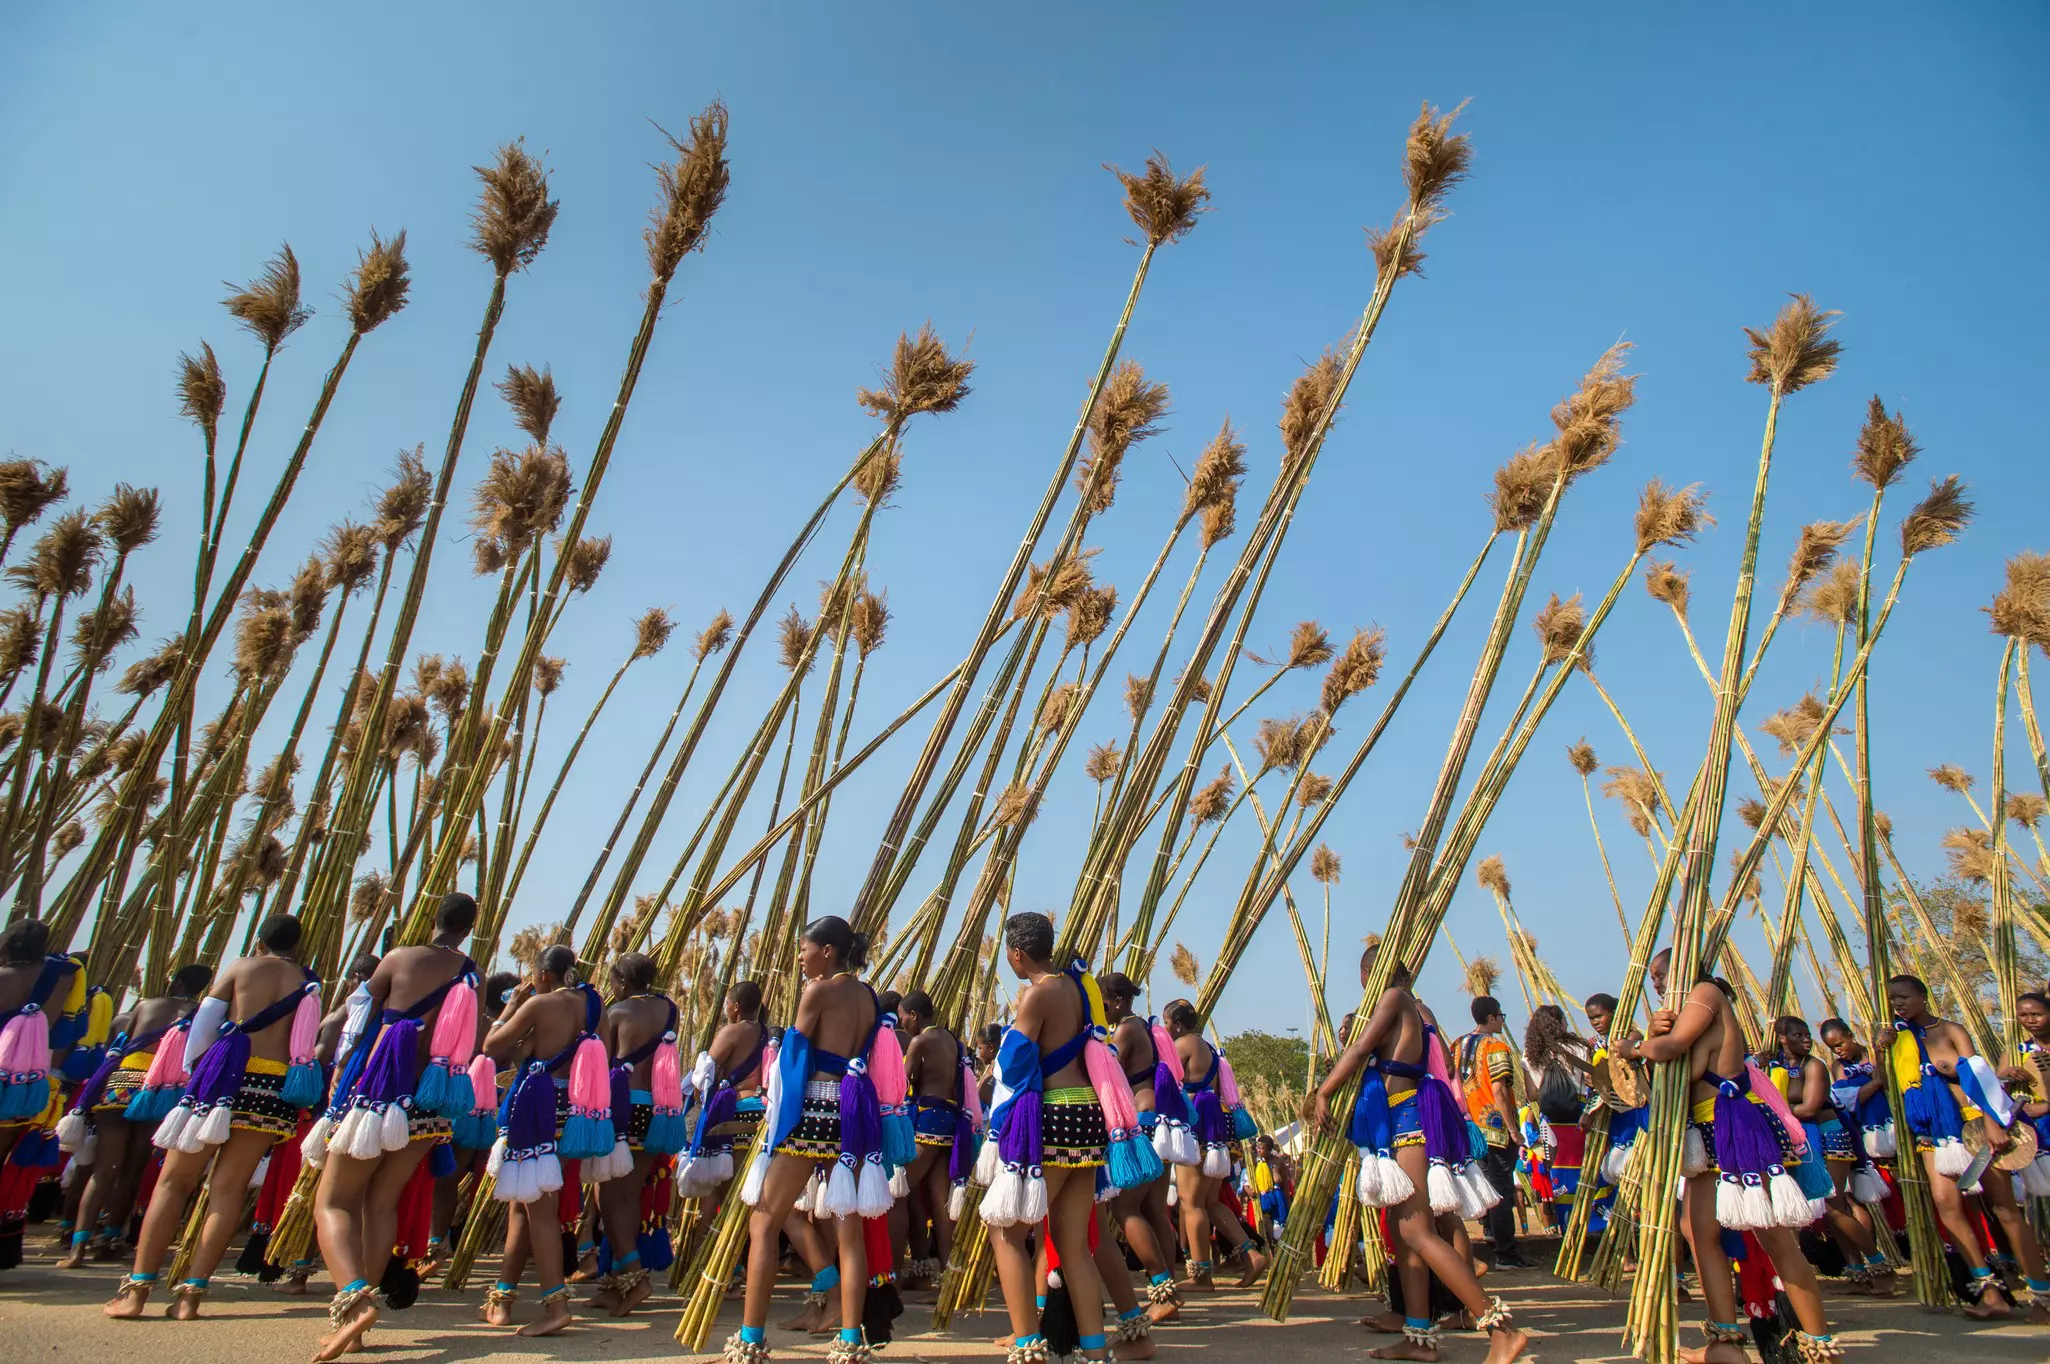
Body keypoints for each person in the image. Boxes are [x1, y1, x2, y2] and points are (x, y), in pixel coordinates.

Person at [1610, 949, 1836, 1363]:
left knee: (1773, 1237)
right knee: (1698, 1232)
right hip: (1704, 1132)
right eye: (1654, 978)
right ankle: (1726, 1342)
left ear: (1683, 970)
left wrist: (1635, 1046)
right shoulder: (1687, 1007)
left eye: (1661, 975)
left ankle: (1821, 1346)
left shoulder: (1706, 993)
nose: (1657, 984)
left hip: (1734, 1127)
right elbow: (1672, 1071)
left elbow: (1674, 1050)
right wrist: (1652, 1034)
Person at [1306, 941, 1525, 1364]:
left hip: (1409, 1123)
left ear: (1371, 977)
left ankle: (1501, 1329)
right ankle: (1418, 1335)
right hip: (1400, 1123)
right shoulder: (1408, 1005)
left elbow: (1357, 1050)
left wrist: (1324, 1091)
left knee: (1419, 1232)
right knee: (1405, 1235)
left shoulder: (1393, 1000)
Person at [104, 915, 322, 1321]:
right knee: (228, 1190)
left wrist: (195, 1074)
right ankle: (190, 1296)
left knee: (173, 1182)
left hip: (221, 1079)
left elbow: (204, 1025)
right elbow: (303, 1042)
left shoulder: (242, 967)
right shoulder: (306, 983)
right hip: (272, 1090)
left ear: (260, 941)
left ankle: (137, 1292)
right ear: (297, 945)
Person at [304, 891, 477, 1358]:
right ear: (469, 929)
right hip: (428, 1100)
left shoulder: (399, 958)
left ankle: (354, 1302)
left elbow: (359, 1017)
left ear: (433, 918)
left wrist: (340, 1072)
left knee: (335, 1202)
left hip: (378, 1090)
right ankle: (356, 1327)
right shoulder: (468, 975)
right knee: (381, 1203)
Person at [728, 916, 889, 1364]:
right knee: (848, 1233)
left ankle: (749, 1342)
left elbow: (795, 1058)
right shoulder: (868, 997)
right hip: (853, 1111)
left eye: (804, 948)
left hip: (814, 1109)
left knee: (762, 1222)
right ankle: (850, 1341)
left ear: (827, 951)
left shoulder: (819, 991)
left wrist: (777, 1121)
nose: (799, 957)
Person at [979, 911, 1133, 1364]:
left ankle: (1028, 1346)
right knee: (1072, 1244)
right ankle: (1095, 1352)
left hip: (1052, 1115)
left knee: (1004, 1229)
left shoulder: (1038, 995)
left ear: (1016, 953)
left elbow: (1016, 1064)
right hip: (1087, 1116)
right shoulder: (1076, 988)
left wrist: (997, 1126)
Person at [1886, 972, 2050, 1322]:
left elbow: (1980, 1076)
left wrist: (1992, 1122)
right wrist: (1882, 1045)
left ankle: (2041, 1294)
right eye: (1892, 999)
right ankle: (1989, 1290)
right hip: (1934, 1133)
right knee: (1948, 1206)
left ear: (1922, 996)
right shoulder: (1898, 1040)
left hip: (1973, 1125)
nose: (1897, 1004)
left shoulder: (1951, 1030)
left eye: (1903, 996)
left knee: (2004, 1208)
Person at [481, 943, 608, 1340]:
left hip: (535, 1111)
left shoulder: (539, 1005)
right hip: (572, 1110)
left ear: (545, 975)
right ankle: (502, 1297)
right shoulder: (592, 1005)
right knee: (523, 1204)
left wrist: (510, 1009)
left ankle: (556, 1305)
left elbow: (490, 1049)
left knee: (539, 1210)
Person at [56, 962, 210, 1268]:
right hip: (162, 1090)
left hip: (121, 1085)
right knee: (134, 1169)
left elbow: (121, 1043)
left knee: (105, 1170)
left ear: (176, 981)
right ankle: (111, 1239)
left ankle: (78, 1245)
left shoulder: (146, 1005)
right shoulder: (203, 1015)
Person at [585, 951, 683, 1317]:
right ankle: (613, 1283)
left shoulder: (617, 1013)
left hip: (623, 1111)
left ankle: (634, 1275)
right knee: (624, 1193)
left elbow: (600, 1059)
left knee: (611, 1199)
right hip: (657, 1109)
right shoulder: (669, 1009)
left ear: (622, 983)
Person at [1770, 1015, 1889, 1295]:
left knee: (1834, 1207)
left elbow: (1810, 1108)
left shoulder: (1816, 1066)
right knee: (1830, 1210)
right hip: (1802, 1139)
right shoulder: (1778, 1067)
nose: (1806, 1040)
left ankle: (1880, 1265)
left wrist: (1774, 1110)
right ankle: (1857, 1273)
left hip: (1829, 1135)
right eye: (1798, 1036)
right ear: (1783, 1038)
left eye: (1807, 1034)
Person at [1163, 999, 1267, 1290]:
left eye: (1167, 1023)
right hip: (1217, 1130)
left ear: (1179, 1025)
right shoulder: (1208, 1048)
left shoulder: (1183, 1046)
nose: (1166, 1029)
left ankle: (1202, 1276)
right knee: (1211, 1202)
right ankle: (1251, 1254)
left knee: (1191, 1202)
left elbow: (1165, 1081)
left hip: (1196, 1129)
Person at [1100, 972, 1184, 1323]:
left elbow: (1109, 1073)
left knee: (1126, 1210)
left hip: (1140, 1125)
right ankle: (1168, 1295)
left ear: (1118, 1001)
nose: (1100, 1009)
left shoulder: (1126, 1030)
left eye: (1102, 1002)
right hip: (1156, 1123)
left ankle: (1162, 1288)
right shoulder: (1146, 1028)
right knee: (1154, 1210)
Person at [900, 989, 972, 1290]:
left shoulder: (920, 1041)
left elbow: (903, 1081)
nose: (903, 1024)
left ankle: (890, 1277)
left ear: (914, 1015)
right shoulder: (953, 1040)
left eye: (904, 1018)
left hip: (928, 1120)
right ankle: (948, 1279)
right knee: (941, 1208)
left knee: (897, 1191)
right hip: (949, 1120)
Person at [1454, 996, 1529, 1270]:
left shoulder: (1458, 1045)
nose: (1502, 1021)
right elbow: (1498, 1089)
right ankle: (1506, 1254)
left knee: (1483, 1185)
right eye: (1501, 1016)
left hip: (1471, 1128)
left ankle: (1488, 1234)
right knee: (1501, 1191)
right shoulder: (1497, 1046)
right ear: (1491, 1018)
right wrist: (1513, 1129)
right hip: (1495, 1128)